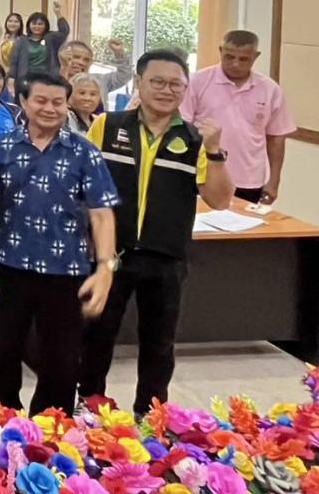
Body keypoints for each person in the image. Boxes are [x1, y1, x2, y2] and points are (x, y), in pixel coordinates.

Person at [79, 50, 232, 417]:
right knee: (97, 335)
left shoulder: (194, 139)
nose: (166, 90)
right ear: (138, 83)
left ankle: (151, 416)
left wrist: (214, 151)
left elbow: (220, 199)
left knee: (159, 344)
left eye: (175, 84)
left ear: (186, 89)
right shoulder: (107, 126)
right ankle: (89, 407)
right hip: (111, 255)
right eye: (157, 82)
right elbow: (83, 185)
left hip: (166, 257)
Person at [0, 73, 119, 414]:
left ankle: (51, 428)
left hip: (67, 271)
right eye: (40, 100)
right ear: (23, 102)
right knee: (3, 352)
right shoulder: (3, 147)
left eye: (58, 102)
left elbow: (102, 212)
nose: (49, 109)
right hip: (9, 265)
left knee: (61, 359)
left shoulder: (84, 151)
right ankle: (0, 422)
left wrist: (105, 267)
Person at [181, 29, 296, 203]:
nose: (235, 64)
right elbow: (182, 128)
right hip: (204, 175)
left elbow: (276, 139)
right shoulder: (197, 81)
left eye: (243, 59)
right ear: (221, 51)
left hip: (249, 180)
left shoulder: (270, 89)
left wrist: (274, 182)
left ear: (255, 56)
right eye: (229, 57)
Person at [8, 6, 69, 89]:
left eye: (40, 24)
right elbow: (14, 62)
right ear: (29, 25)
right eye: (34, 23)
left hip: (47, 80)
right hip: (26, 81)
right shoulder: (22, 41)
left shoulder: (50, 38)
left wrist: (58, 13)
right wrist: (11, 78)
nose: (37, 26)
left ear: (45, 25)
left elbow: (65, 31)